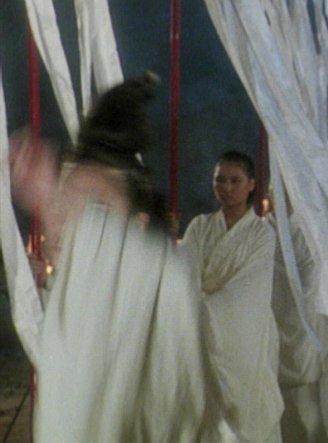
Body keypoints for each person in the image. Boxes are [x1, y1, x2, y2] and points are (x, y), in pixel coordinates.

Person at [8, 74, 223, 441]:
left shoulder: (158, 284)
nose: (63, 229)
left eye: (91, 214)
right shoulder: (82, 295)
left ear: (138, 224)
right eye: (59, 217)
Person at [182, 150, 284, 441]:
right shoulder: (199, 226)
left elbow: (248, 289)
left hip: (247, 332)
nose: (226, 187)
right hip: (200, 332)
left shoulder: (262, 235)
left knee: (248, 410)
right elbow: (185, 274)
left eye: (235, 180)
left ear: (251, 184)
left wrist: (204, 309)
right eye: (220, 180)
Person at [268, 194, 328, 443]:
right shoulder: (263, 229)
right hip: (269, 316)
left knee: (303, 392)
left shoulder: (307, 230)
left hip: (300, 315)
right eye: (274, 192)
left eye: (285, 194)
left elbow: (311, 278)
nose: (279, 198)